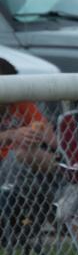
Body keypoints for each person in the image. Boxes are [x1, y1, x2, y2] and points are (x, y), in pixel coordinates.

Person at [0, 58, 58, 245]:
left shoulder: (20, 102)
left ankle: (54, 202)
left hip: (28, 173)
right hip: (4, 169)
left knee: (27, 155)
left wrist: (36, 133)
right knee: (17, 156)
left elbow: (53, 140)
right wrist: (12, 135)